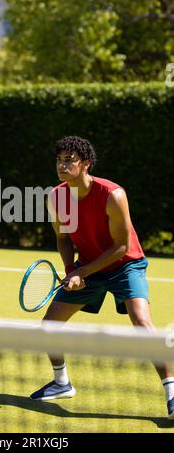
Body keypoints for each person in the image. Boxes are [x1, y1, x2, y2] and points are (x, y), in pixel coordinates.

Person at [30, 135, 174, 420]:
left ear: (85, 164)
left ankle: (172, 392)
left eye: (68, 160)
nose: (61, 165)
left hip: (125, 265)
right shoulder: (57, 196)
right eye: (58, 160)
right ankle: (61, 384)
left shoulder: (112, 195)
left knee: (141, 321)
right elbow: (64, 238)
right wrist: (71, 271)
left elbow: (120, 246)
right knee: (49, 326)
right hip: (86, 266)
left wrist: (82, 271)